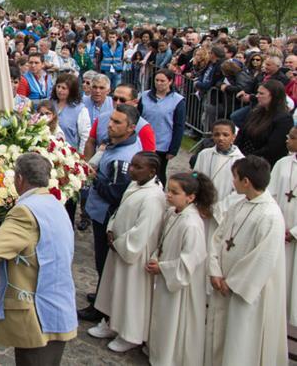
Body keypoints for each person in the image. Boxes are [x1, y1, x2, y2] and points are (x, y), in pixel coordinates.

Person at [0, 153, 77, 366]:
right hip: (59, 302)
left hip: (36, 312)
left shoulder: (25, 211)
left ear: (19, 179)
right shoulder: (56, 204)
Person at [205, 155, 288, 366]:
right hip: (222, 283)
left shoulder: (270, 216)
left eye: (234, 177)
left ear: (246, 182)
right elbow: (218, 237)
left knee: (239, 343)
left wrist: (232, 283)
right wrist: (215, 270)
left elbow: (263, 259)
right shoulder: (239, 204)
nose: (232, 181)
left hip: (244, 292)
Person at [89, 152, 166, 353]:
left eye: (138, 167)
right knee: (115, 287)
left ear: (152, 171)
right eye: (132, 165)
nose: (131, 169)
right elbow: (120, 209)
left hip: (134, 252)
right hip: (118, 243)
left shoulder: (154, 197)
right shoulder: (134, 185)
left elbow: (144, 229)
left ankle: (130, 334)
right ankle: (112, 323)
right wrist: (111, 229)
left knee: (131, 294)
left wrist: (122, 244)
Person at [78, 104, 144, 323]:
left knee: (105, 262)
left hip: (107, 216)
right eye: (111, 120)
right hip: (100, 213)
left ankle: (102, 307)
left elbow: (116, 194)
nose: (110, 125)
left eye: (117, 122)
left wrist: (95, 177)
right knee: (102, 262)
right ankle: (102, 294)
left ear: (131, 128)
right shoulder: (115, 143)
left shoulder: (123, 158)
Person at [146, 171, 215, 366]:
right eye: (168, 190)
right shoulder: (173, 213)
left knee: (175, 321)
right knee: (163, 316)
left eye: (175, 192)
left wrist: (162, 268)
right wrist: (156, 257)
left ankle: (170, 359)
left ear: (190, 197)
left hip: (180, 284)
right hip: (166, 276)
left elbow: (189, 260)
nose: (168, 195)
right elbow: (163, 240)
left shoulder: (192, 224)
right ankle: (157, 351)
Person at [193, 120, 245, 241]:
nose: (221, 138)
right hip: (201, 207)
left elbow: (238, 193)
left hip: (221, 212)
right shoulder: (204, 154)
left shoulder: (240, 161)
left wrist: (215, 209)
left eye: (225, 135)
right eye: (217, 134)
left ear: (233, 137)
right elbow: (195, 176)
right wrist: (200, 203)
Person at [268, 126, 297, 328]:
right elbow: (271, 194)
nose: (287, 140)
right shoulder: (282, 163)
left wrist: (294, 232)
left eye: (292, 137)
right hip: (278, 229)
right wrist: (276, 225)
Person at [139, 68, 185, 185]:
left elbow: (179, 126)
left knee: (158, 173)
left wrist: (173, 149)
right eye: (157, 80)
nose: (159, 83)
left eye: (162, 81)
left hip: (162, 144)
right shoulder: (144, 96)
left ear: (170, 81)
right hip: (143, 142)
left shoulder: (178, 100)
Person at [235, 80, 292, 167]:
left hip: (263, 165)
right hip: (244, 160)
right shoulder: (255, 112)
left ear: (274, 96)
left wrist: (249, 158)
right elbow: (242, 133)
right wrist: (237, 153)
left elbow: (273, 148)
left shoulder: (284, 119)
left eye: (261, 93)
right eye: (257, 93)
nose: (257, 96)